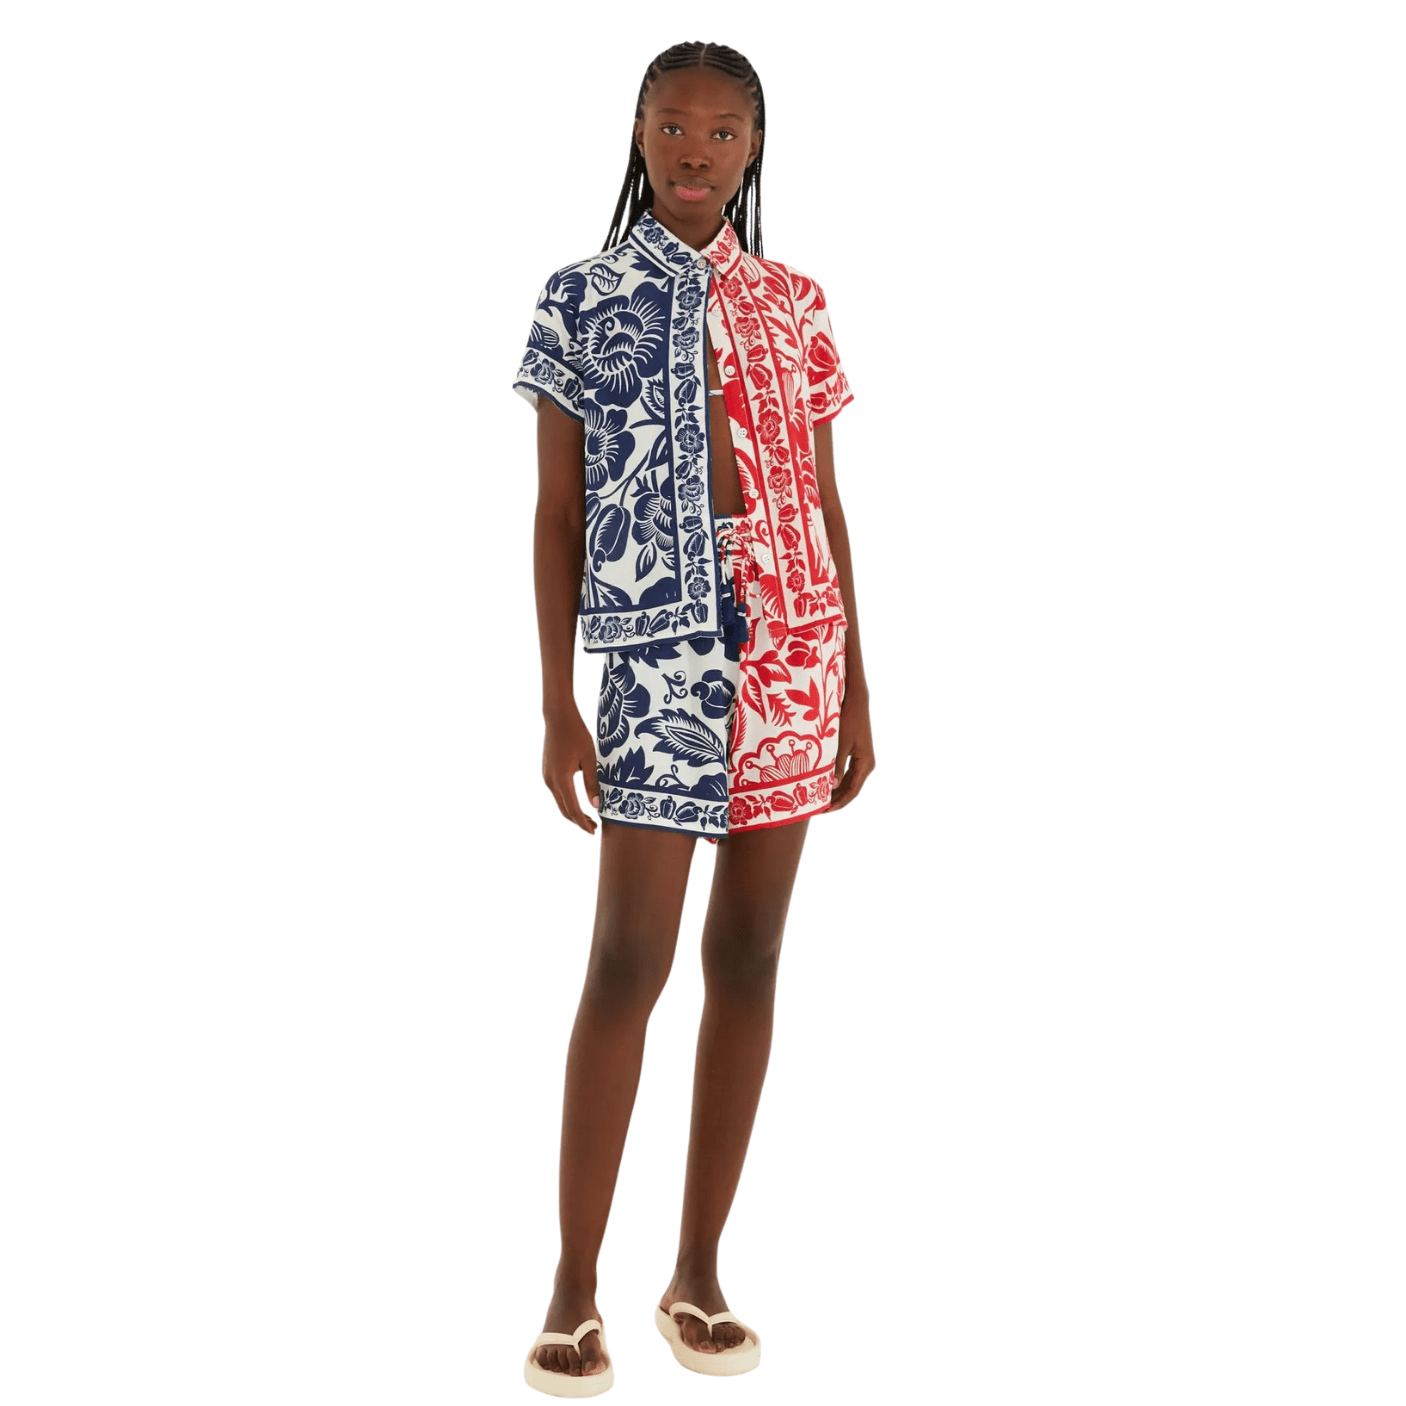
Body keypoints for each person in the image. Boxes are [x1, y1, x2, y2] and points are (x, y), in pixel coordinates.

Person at [511, 40, 875, 1396]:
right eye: (672, 124)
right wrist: (556, 701)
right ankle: (571, 1287)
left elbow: (825, 503)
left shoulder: (795, 302)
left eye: (723, 131)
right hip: (654, 659)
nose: (695, 150)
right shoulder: (581, 298)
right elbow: (556, 513)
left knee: (751, 956)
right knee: (626, 959)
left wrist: (856, 684)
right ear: (639, 132)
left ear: (753, 147)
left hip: (795, 653)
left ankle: (698, 1273)